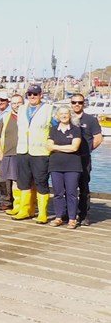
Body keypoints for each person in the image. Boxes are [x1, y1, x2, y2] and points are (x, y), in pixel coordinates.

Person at [12, 84, 54, 223]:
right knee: (23, 182)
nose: (32, 97)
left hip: (40, 152)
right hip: (23, 151)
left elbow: (57, 126)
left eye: (35, 94)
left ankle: (42, 213)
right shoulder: (22, 109)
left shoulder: (48, 109)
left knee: (41, 182)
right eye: (29, 94)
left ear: (41, 95)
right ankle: (25, 210)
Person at [46, 105, 82, 229]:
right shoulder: (53, 129)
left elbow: (74, 147)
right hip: (55, 165)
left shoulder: (76, 129)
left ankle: (72, 218)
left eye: (66, 113)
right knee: (58, 193)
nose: (64, 115)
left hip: (73, 166)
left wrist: (57, 147)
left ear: (70, 115)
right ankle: (58, 217)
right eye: (61, 114)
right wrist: (65, 147)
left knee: (71, 193)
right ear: (57, 116)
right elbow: (49, 146)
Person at [70, 93, 103, 225]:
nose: (77, 105)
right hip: (69, 158)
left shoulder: (90, 120)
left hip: (83, 158)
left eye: (80, 102)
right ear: (71, 103)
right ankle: (69, 213)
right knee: (69, 187)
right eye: (74, 102)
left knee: (83, 186)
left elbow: (98, 138)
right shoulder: (67, 118)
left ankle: (84, 214)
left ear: (84, 103)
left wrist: (88, 150)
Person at [0, 94, 24, 216]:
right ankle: (13, 204)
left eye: (19, 103)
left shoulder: (27, 117)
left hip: (24, 153)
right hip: (8, 153)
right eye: (14, 103)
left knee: (22, 180)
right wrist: (0, 152)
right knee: (7, 179)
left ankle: (25, 204)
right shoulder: (5, 117)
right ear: (11, 104)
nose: (17, 105)